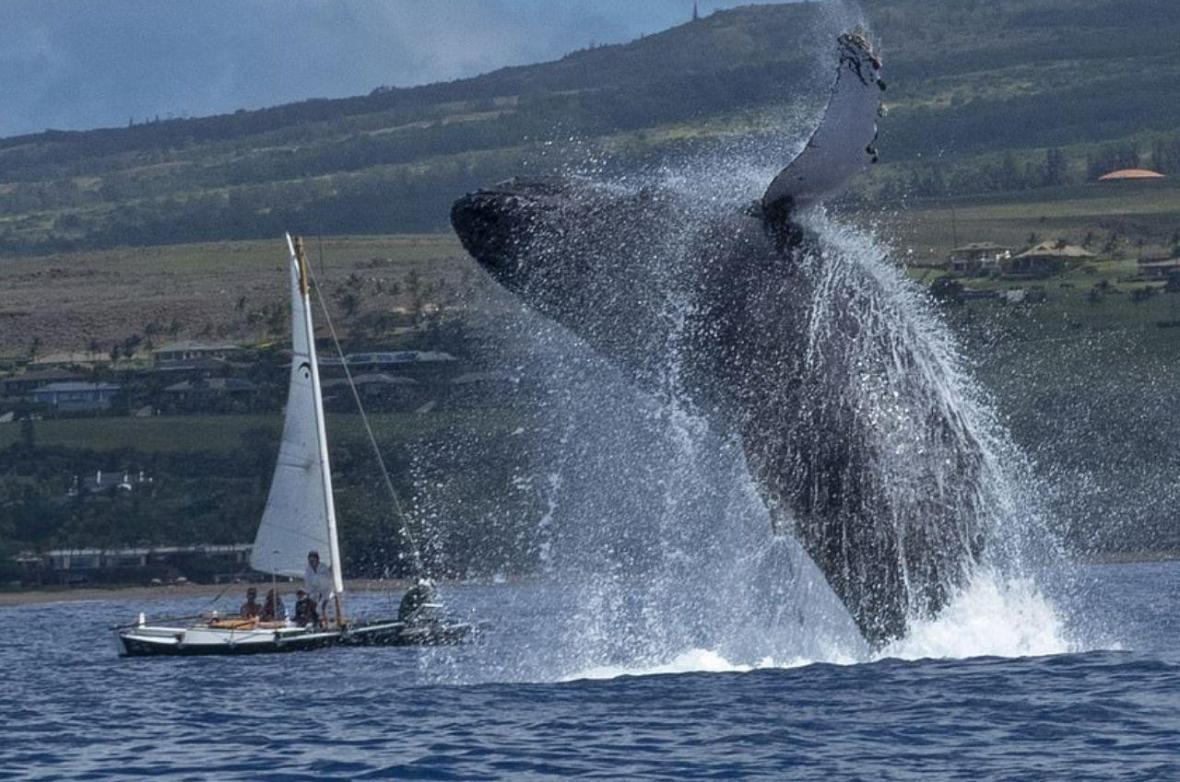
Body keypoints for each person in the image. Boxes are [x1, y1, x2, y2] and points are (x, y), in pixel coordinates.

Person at [304, 550, 332, 622]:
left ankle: (325, 621)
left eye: (313, 560)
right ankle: (312, 621)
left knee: (321, 607)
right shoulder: (308, 570)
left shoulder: (323, 568)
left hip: (326, 593)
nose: (311, 562)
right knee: (308, 605)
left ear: (317, 559)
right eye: (310, 560)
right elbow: (308, 584)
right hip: (314, 593)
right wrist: (309, 594)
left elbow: (325, 582)